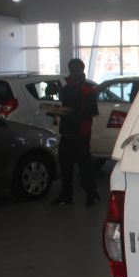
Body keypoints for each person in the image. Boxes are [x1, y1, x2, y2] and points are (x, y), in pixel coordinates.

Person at [52, 58, 100, 206]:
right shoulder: (66, 88)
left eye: (75, 69)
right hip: (66, 132)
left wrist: (72, 114)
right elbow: (64, 107)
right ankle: (66, 196)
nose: (73, 72)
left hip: (80, 133)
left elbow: (92, 111)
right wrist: (56, 112)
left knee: (85, 166)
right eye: (71, 69)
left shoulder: (88, 89)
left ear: (81, 70)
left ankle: (91, 195)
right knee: (65, 167)